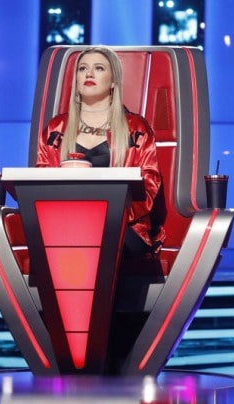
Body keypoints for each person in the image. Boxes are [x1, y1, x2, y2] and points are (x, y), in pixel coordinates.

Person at [35, 45, 164, 257]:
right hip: (65, 224)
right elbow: (42, 182)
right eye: (82, 68)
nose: (89, 74)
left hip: (124, 226)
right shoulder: (55, 128)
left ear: (113, 81)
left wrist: (105, 215)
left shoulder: (136, 128)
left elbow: (148, 186)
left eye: (99, 68)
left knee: (99, 238)